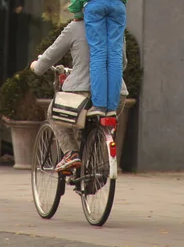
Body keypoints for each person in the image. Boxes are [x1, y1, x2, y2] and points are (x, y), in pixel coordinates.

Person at [30, 19, 128, 172]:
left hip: (81, 92)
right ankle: (96, 164)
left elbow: (51, 55)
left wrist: (37, 66)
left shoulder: (75, 27)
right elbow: (122, 63)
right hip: (116, 93)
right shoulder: (115, 26)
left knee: (52, 111)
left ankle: (71, 153)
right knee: (99, 126)